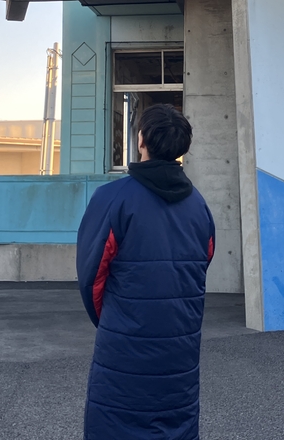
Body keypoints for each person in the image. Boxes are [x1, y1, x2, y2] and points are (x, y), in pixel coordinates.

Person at [76, 103, 216, 440]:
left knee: (116, 424)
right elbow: (202, 263)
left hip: (124, 345)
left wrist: (117, 321)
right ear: (182, 146)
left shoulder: (112, 198)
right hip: (180, 346)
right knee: (175, 425)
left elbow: (91, 278)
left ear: (141, 140)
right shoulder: (199, 204)